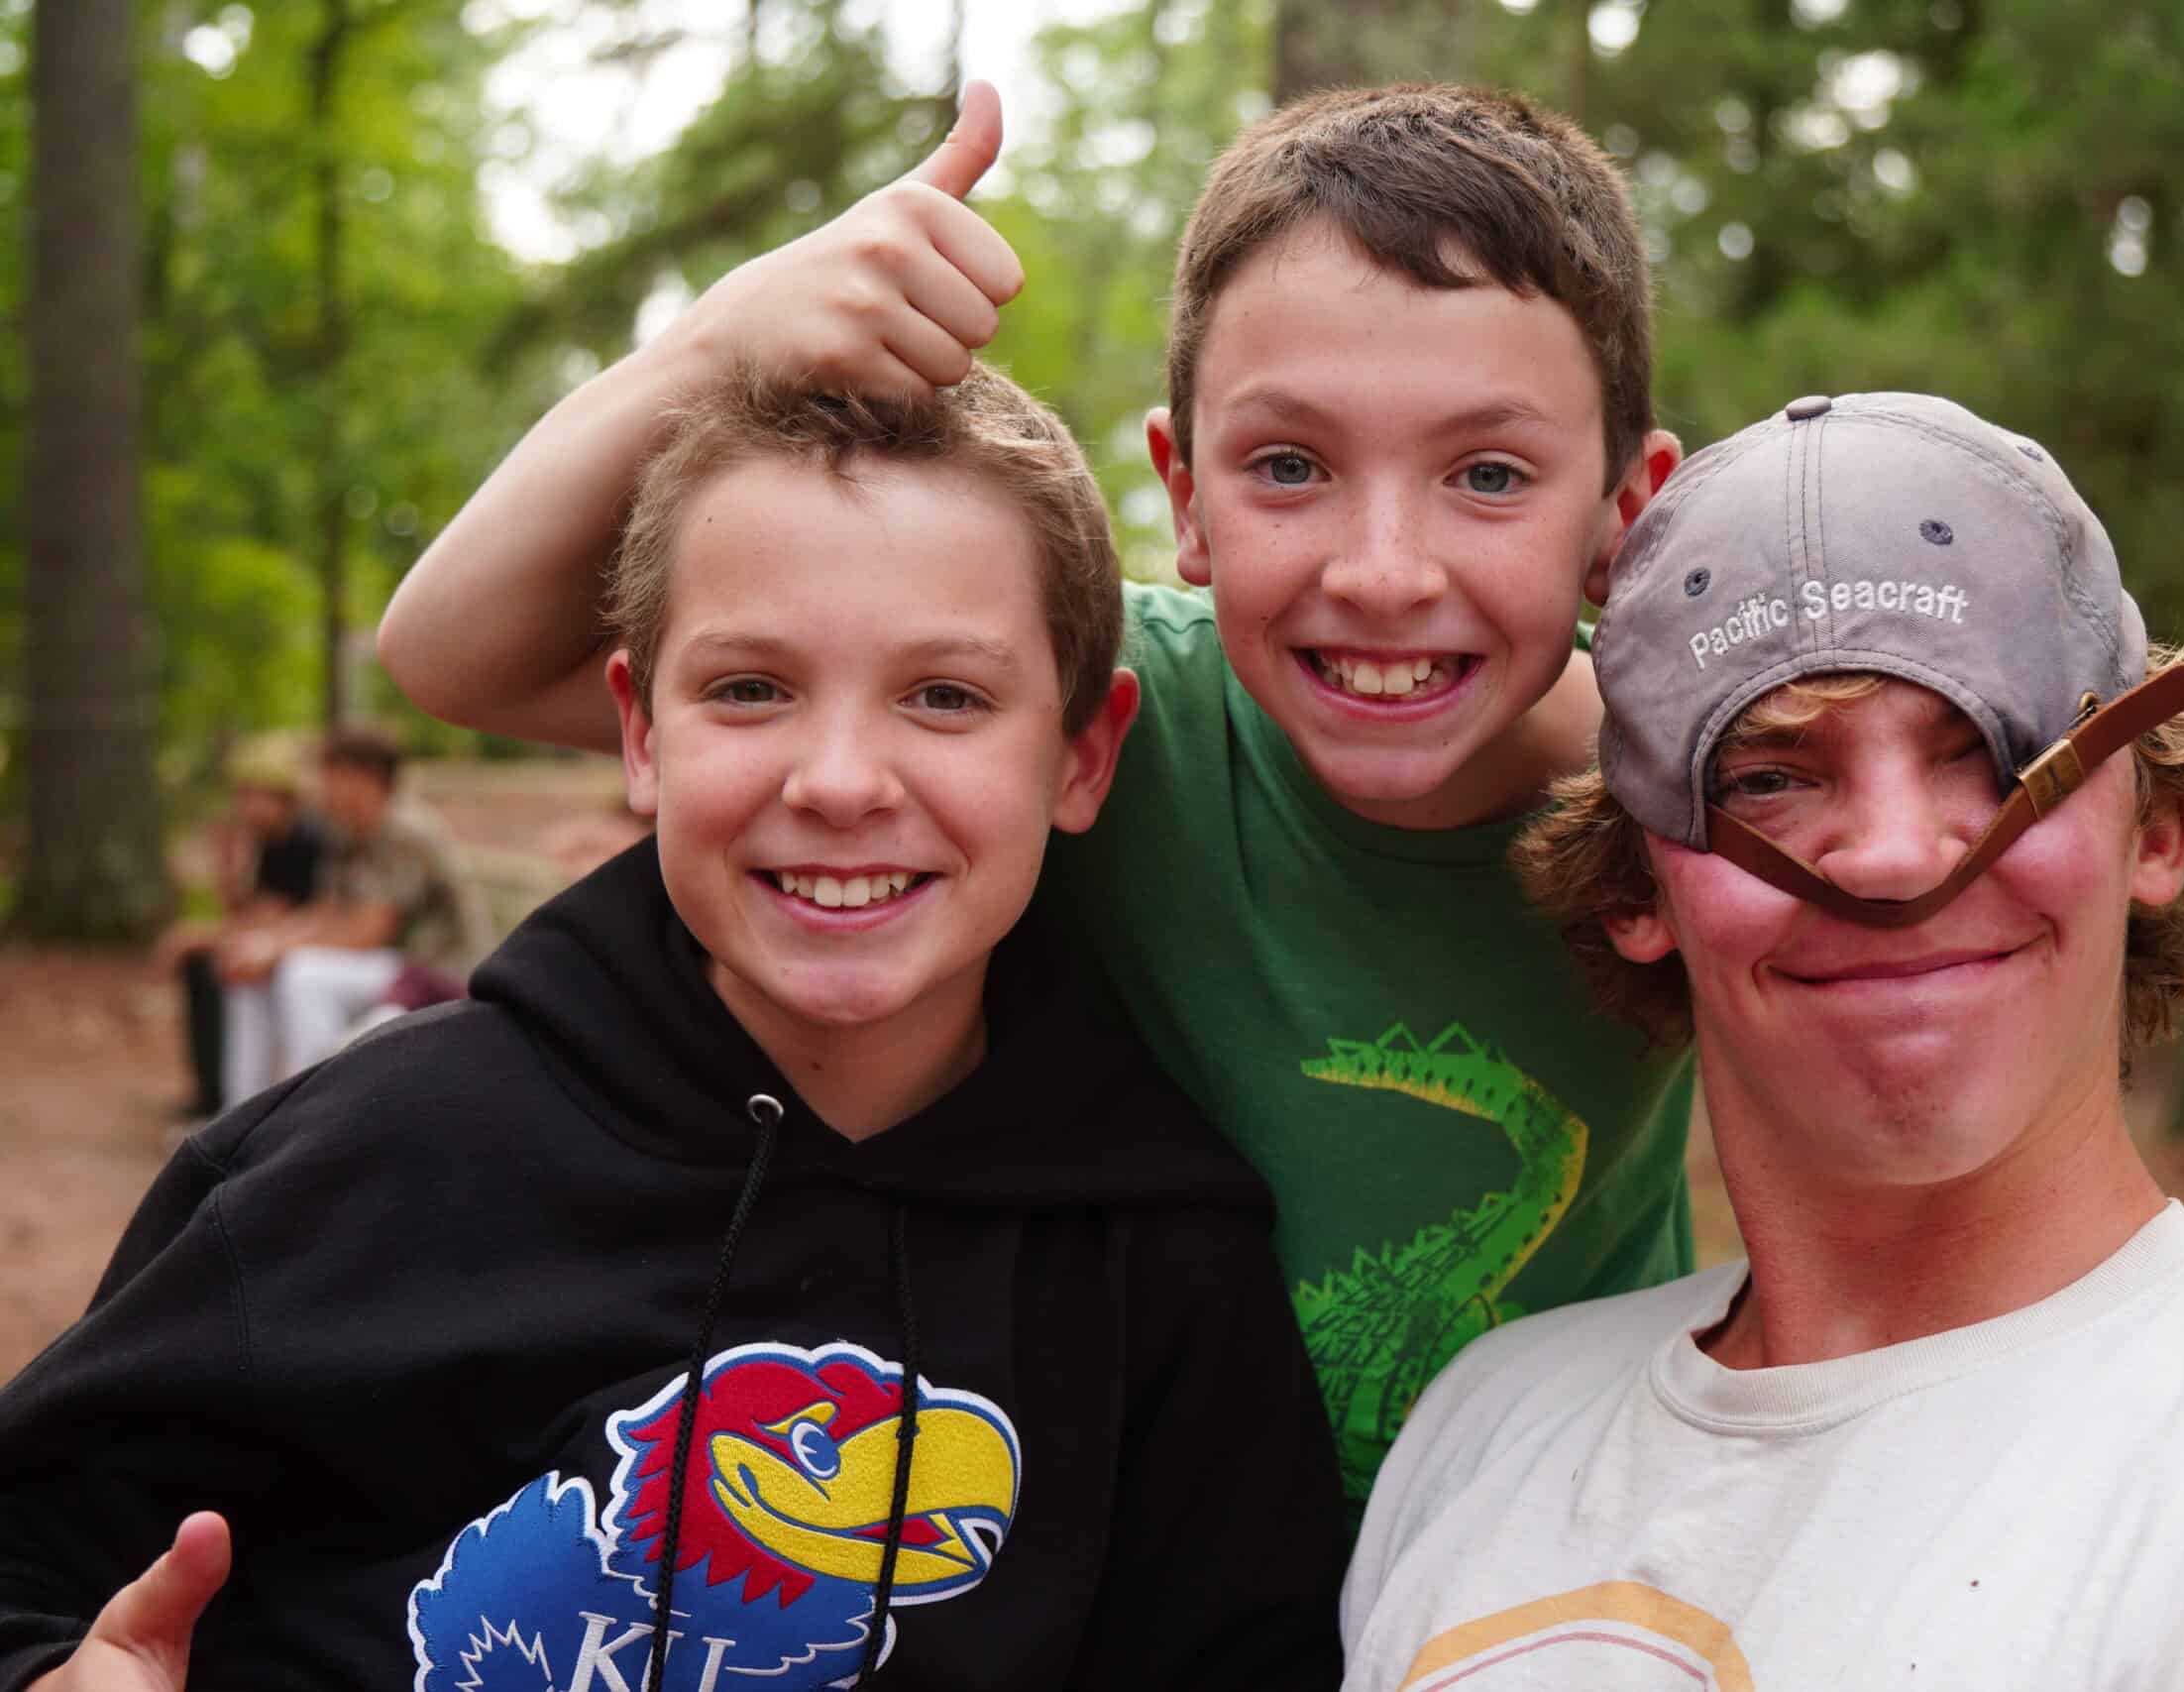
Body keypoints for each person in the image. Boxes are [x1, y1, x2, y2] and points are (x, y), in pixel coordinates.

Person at [378, 79, 1695, 1510]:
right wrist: (718, 339)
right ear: (1183, 494)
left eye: (1488, 473)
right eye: (1288, 466)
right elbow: (456, 654)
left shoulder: (1701, 785)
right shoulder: (1078, 712)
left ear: (1625, 513)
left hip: (1554, 1569)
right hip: (1133, 1581)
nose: (1382, 569)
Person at [0, 365, 1344, 1691]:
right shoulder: (359, 1160)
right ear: (639, 730)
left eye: (946, 694)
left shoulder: (1165, 1270)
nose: (836, 782)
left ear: (1082, 754)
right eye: (752, 688)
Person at [1338, 393, 2184, 1688]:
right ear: (1639, 891)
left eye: (1989, 750)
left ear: (2154, 830)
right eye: (1769, 775)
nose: (1903, 849)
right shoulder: (1480, 1436)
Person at [214, 726, 480, 1106]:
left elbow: (371, 931)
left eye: (327, 774)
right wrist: (265, 945)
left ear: (361, 778)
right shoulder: (347, 831)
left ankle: (309, 1119)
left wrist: (278, 951)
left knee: (304, 974)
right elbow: (326, 911)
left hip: (433, 971)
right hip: (384, 966)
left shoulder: (405, 830)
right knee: (250, 972)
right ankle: (238, 1119)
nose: (317, 786)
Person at [153, 740, 329, 1117]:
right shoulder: (266, 839)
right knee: (202, 966)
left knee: (216, 962)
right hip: (272, 937)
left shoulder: (306, 838)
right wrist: (229, 861)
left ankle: (235, 1098)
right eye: (242, 795)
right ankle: (212, 1091)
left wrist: (202, 935)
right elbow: (242, 907)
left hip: (304, 943)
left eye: (255, 796)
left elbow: (280, 914)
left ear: (284, 798)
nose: (245, 806)